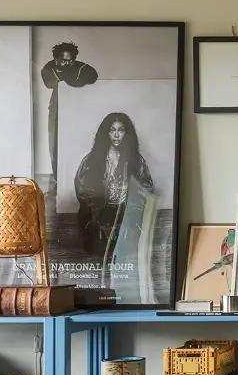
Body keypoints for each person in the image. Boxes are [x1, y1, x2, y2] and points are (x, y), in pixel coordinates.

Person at [74, 113, 154, 264]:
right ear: (106, 133)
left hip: (126, 214)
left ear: (127, 133)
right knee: (97, 252)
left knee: (126, 255)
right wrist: (97, 213)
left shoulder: (136, 160)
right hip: (98, 215)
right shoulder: (91, 160)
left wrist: (130, 202)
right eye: (112, 130)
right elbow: (82, 188)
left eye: (121, 130)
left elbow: (147, 188)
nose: (116, 135)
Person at [40, 42, 98, 184]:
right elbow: (52, 82)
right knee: (56, 145)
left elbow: (92, 75)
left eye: (71, 60)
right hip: (57, 110)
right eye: (64, 61)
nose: (68, 63)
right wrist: (74, 79)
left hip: (77, 109)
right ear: (56, 60)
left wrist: (70, 78)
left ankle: (79, 178)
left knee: (78, 142)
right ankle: (59, 179)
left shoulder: (81, 67)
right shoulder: (48, 68)